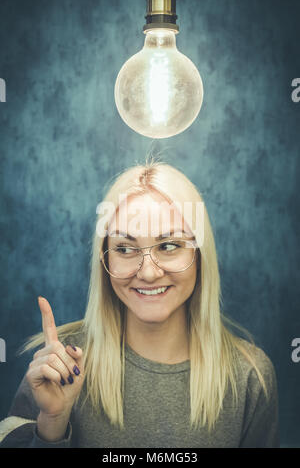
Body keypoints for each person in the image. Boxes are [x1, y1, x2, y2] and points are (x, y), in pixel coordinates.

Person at [0, 159, 280, 448]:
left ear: (199, 255)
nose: (148, 272)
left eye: (169, 246)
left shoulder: (250, 376)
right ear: (105, 258)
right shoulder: (58, 366)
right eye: (124, 248)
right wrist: (52, 424)